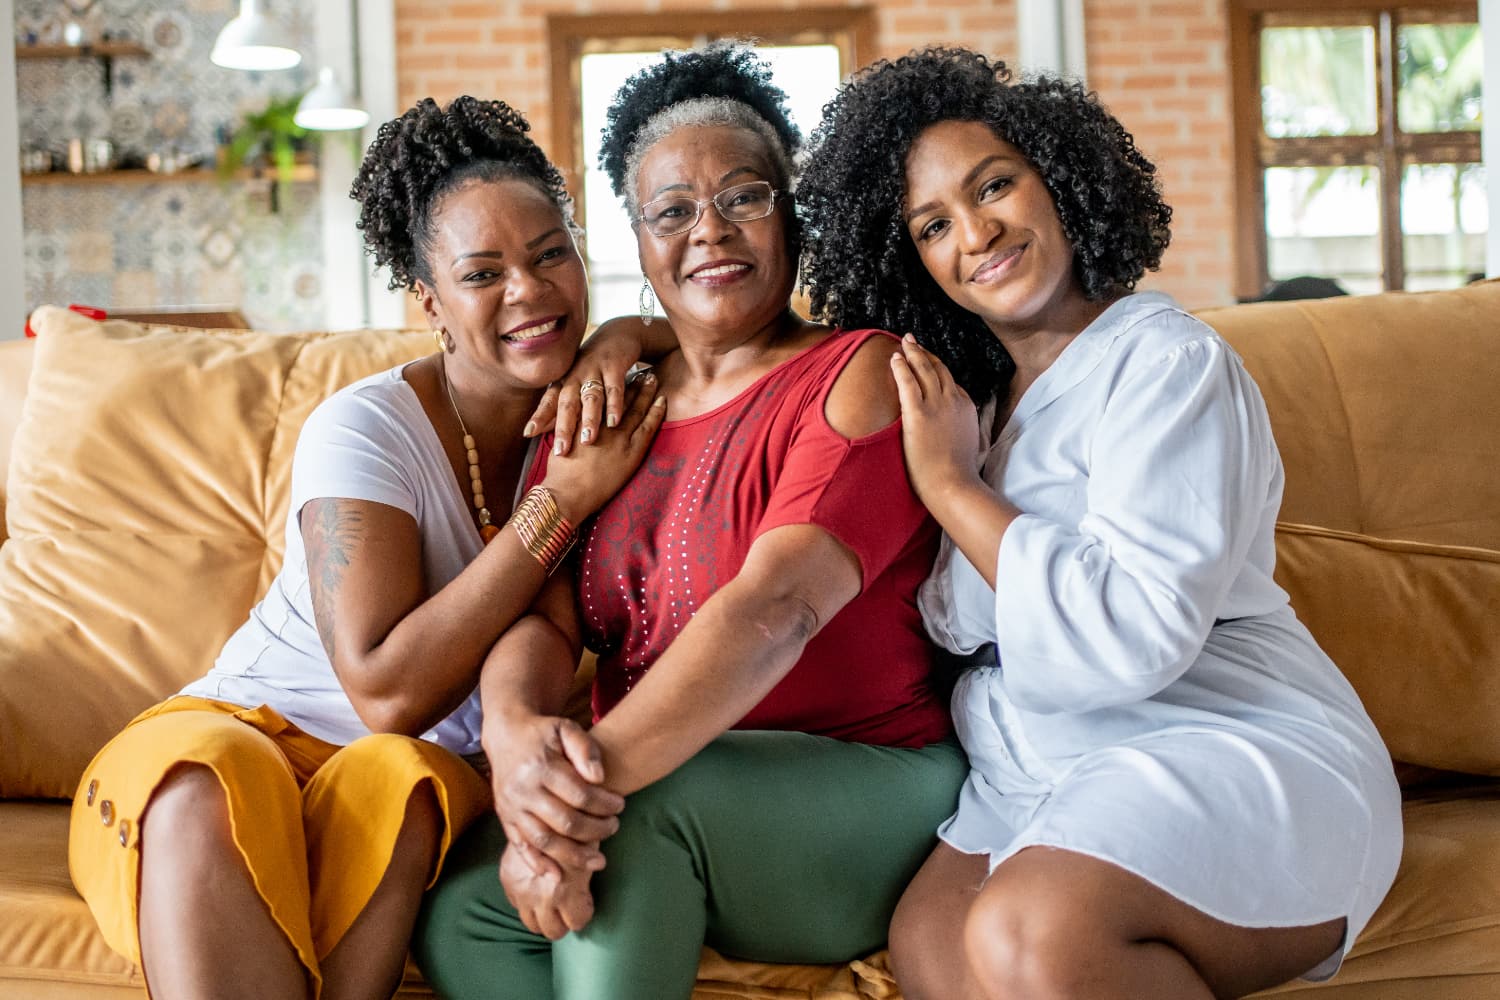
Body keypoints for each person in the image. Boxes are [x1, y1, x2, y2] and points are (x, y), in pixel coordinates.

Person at [791, 47, 1403, 999]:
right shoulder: (970, 404)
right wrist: (636, 335)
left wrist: (952, 488)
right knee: (930, 948)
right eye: (933, 225)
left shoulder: (1166, 364)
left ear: (1060, 178)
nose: (977, 234)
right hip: (1030, 769)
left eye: (995, 185)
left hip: (1222, 733)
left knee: (1030, 933)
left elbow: (1135, 633)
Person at [66, 96, 663, 1000]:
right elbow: (386, 692)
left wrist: (630, 332)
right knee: (212, 779)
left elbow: (727, 335)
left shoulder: (614, 413)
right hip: (238, 737)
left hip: (395, 781)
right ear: (430, 301)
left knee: (406, 780)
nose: (529, 290)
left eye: (551, 255)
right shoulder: (366, 429)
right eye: (483, 273)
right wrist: (560, 505)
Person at [413, 42, 966, 1000]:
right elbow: (547, 620)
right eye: (673, 211)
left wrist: (576, 799)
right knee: (461, 909)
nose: (709, 230)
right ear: (638, 243)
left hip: (867, 785)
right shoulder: (609, 400)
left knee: (637, 818)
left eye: (743, 197)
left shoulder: (858, 373)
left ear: (791, 217)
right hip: (655, 784)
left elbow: (777, 610)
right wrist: (512, 738)